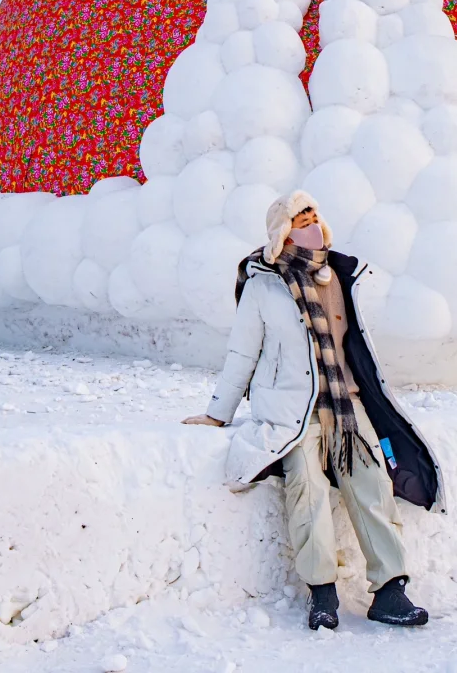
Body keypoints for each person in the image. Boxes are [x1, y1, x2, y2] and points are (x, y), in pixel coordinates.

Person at [184, 189, 442, 631]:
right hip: (291, 412)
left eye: (315, 216)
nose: (313, 226)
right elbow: (242, 354)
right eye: (302, 220)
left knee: (372, 485)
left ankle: (390, 592)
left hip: (346, 405)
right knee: (306, 491)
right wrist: (218, 413)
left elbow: (354, 347)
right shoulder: (265, 285)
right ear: (283, 232)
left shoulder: (339, 275)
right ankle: (322, 594)